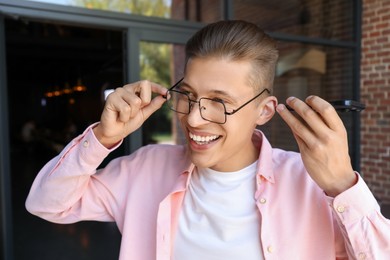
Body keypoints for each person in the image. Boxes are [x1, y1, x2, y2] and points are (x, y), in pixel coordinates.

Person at [26, 20, 390, 259]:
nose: (194, 117)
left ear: (264, 111)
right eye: (187, 95)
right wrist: (103, 138)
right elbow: (46, 204)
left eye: (219, 102)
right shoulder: (145, 169)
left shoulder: (313, 184)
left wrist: (343, 185)